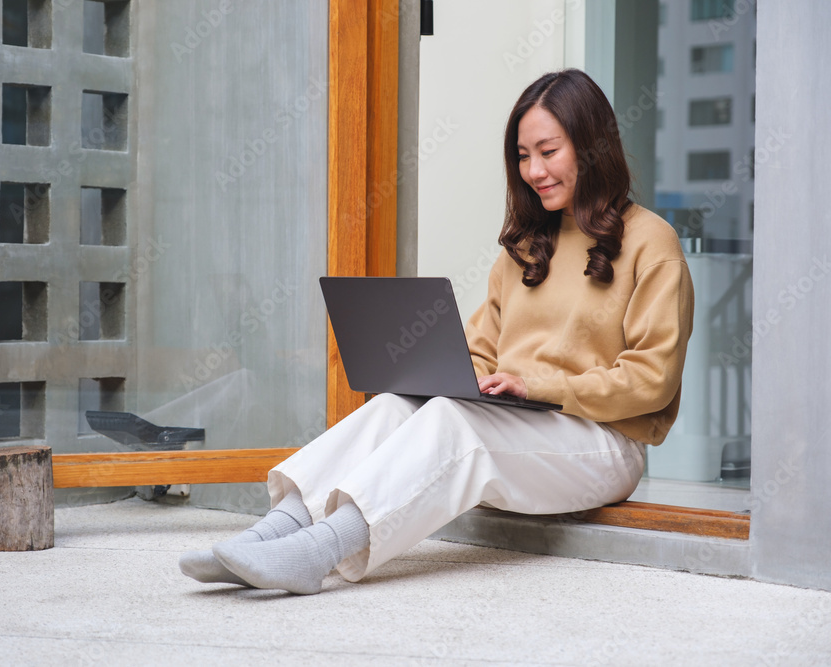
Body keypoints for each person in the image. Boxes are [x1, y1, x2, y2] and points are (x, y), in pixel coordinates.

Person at [179, 68, 694, 595]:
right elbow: (479, 352)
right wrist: (445, 375)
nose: (534, 170)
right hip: (519, 426)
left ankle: (318, 553)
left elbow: (652, 380)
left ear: (590, 146)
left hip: (606, 445)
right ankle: (267, 536)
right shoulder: (525, 248)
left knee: (453, 421)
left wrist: (535, 387)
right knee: (390, 406)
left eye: (548, 151)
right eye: (522, 156)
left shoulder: (652, 243)